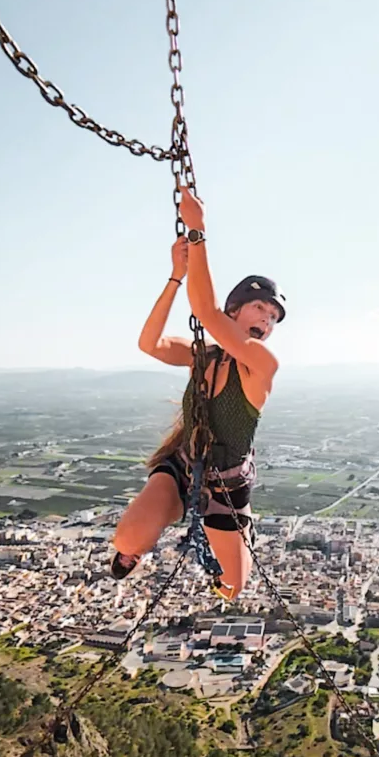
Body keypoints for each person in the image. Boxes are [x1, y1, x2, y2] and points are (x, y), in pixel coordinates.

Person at [111, 186, 285, 600]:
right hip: (185, 463)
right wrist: (176, 276)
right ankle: (148, 538)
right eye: (260, 307)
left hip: (226, 485)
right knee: (126, 542)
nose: (267, 319)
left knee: (230, 589)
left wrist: (198, 230)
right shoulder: (203, 355)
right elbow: (149, 343)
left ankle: (237, 536)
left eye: (274, 316)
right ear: (235, 312)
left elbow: (204, 312)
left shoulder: (263, 366)